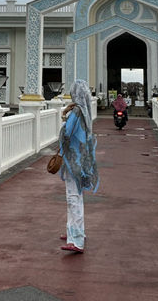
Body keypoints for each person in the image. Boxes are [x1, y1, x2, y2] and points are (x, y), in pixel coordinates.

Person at [58, 80, 99, 253]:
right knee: (76, 196)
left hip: (73, 159)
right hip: (81, 159)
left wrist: (63, 120)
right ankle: (73, 232)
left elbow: (67, 132)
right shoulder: (85, 111)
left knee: (72, 197)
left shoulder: (76, 111)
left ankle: (77, 240)